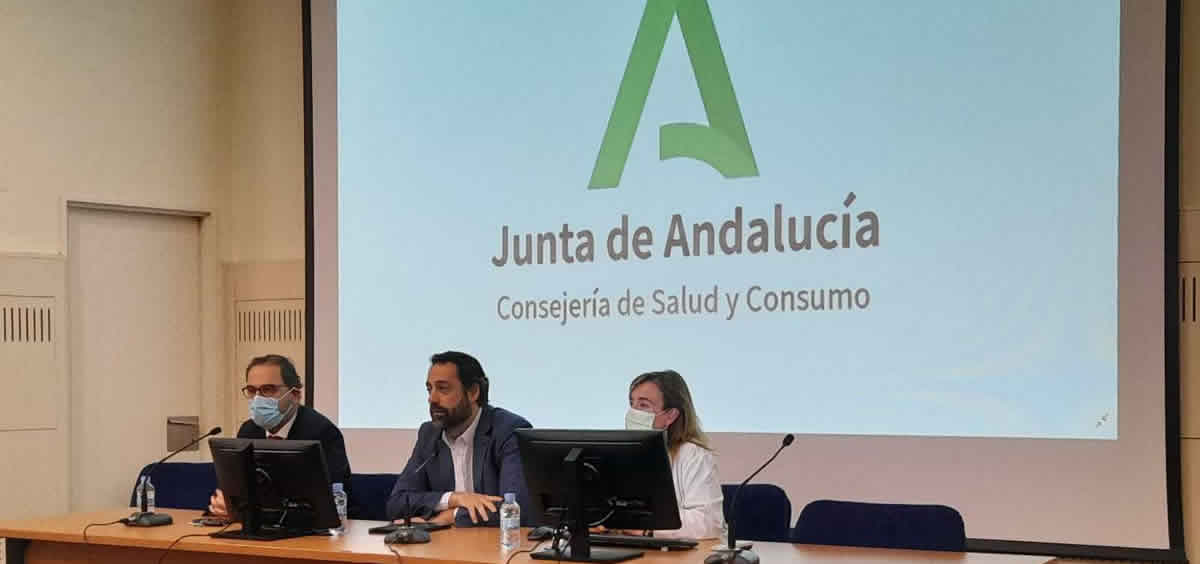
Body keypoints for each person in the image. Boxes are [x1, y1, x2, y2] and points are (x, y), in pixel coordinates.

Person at [386, 351, 533, 527]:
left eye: (443, 388)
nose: (432, 399)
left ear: (473, 392)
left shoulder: (507, 431)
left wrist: (451, 516)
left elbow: (516, 510)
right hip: (446, 543)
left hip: (496, 543)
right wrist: (453, 499)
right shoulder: (429, 434)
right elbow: (397, 504)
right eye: (429, 389)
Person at [207, 354, 353, 518]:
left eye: (268, 389)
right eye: (252, 391)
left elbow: (331, 501)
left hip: (309, 528)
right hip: (259, 525)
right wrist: (227, 503)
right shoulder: (249, 431)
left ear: (295, 395)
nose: (258, 399)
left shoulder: (322, 432)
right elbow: (236, 488)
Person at [623, 370, 723, 539]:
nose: (633, 412)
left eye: (643, 405)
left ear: (671, 415)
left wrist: (646, 527)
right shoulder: (624, 455)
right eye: (632, 403)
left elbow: (708, 523)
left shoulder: (693, 455)